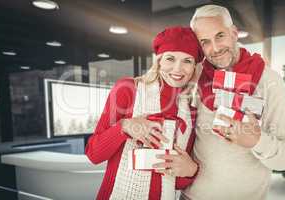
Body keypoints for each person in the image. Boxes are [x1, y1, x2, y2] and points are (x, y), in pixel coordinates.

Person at [181, 5, 285, 200]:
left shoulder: (269, 81)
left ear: (234, 33)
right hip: (191, 196)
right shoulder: (196, 76)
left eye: (220, 36)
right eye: (205, 42)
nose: (215, 48)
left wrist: (257, 141)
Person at [86, 26, 203, 200]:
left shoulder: (190, 112)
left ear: (194, 67)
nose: (178, 69)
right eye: (170, 58)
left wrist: (190, 170)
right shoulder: (128, 90)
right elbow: (94, 154)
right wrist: (125, 126)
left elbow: (175, 182)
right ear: (159, 61)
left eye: (187, 61)